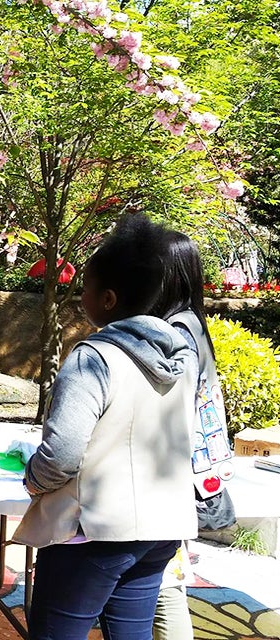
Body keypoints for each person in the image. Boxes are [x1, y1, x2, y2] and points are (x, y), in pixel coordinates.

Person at [12, 214, 199, 640]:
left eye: (86, 289)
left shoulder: (93, 358)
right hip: (161, 529)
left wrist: (33, 479)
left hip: (94, 531)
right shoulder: (182, 359)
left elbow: (62, 454)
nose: (81, 298)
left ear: (109, 299)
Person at [151, 230, 233, 640]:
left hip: (175, 470)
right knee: (164, 579)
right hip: (182, 467)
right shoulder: (189, 322)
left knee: (164, 585)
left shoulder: (176, 330)